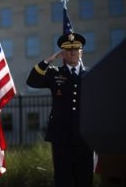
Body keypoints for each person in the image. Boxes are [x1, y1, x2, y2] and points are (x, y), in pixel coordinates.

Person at [26, 32, 94, 187]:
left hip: (85, 136)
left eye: (76, 49)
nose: (72, 53)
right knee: (63, 179)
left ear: (81, 52)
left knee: (84, 178)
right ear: (62, 53)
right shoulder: (54, 73)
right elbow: (32, 81)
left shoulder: (91, 74)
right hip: (61, 136)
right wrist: (47, 61)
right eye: (68, 50)